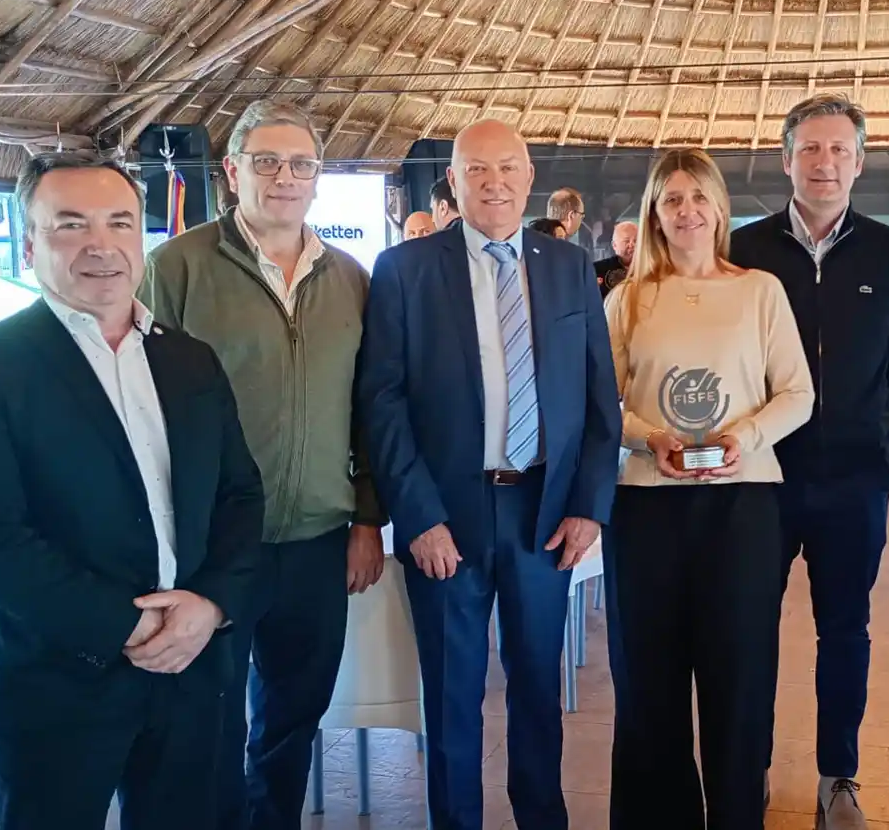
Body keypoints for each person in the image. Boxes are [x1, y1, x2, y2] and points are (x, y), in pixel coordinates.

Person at [0, 150, 265, 830]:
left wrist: (212, 605)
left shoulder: (188, 357)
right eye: (71, 225)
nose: (101, 246)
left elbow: (239, 497)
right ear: (28, 246)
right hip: (54, 688)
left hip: (191, 676)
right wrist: (130, 624)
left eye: (119, 223)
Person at [359, 119, 621, 830]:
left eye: (508, 167)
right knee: (452, 694)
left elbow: (601, 398)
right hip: (447, 517)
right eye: (478, 169)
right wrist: (417, 516)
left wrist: (588, 506)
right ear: (454, 180)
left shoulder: (570, 267)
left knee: (539, 688)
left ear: (530, 176)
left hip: (544, 510)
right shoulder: (405, 270)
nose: (495, 182)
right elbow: (381, 404)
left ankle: (543, 818)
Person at [140, 100, 387, 830]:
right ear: (232, 171)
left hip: (318, 538)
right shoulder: (176, 267)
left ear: (318, 178)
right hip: (213, 544)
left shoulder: (350, 277)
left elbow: (367, 407)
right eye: (267, 161)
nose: (285, 177)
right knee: (207, 719)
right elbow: (142, 403)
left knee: (293, 718)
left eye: (301, 164)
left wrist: (367, 517)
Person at [729, 93, 889, 826]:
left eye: (840, 149)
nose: (825, 163)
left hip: (853, 477)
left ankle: (838, 776)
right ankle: (743, 764)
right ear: (786, 160)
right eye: (810, 149)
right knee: (749, 627)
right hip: (758, 477)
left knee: (845, 629)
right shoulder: (742, 251)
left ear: (860, 162)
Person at [604, 148, 813, 829]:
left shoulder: (760, 291)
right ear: (655, 213)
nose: (687, 211)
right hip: (645, 507)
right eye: (672, 200)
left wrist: (743, 438)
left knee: (740, 678)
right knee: (648, 685)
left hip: (741, 506)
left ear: (720, 207)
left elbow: (798, 394)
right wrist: (647, 435)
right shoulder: (626, 299)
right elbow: (601, 402)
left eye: (698, 197)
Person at [593, 220, 637, 298]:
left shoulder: (652, 268)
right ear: (614, 245)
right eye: (626, 241)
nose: (632, 245)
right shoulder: (596, 270)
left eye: (636, 240)